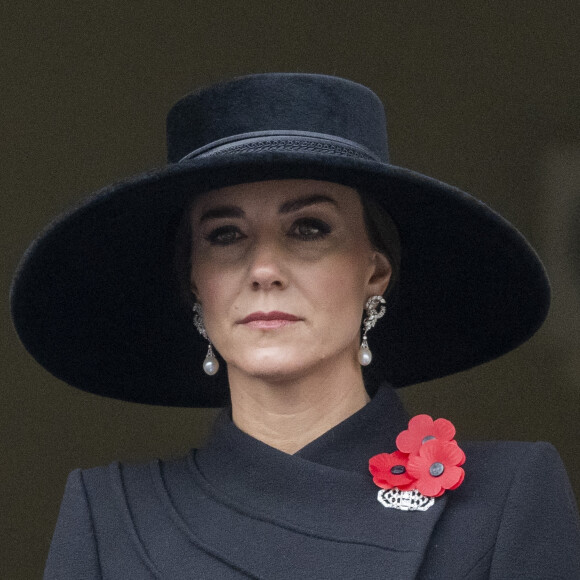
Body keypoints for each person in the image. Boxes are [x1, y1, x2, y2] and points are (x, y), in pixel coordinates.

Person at [10, 73, 580, 579]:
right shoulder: (110, 515)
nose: (263, 270)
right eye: (225, 235)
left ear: (375, 270)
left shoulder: (505, 497)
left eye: (308, 228)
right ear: (194, 283)